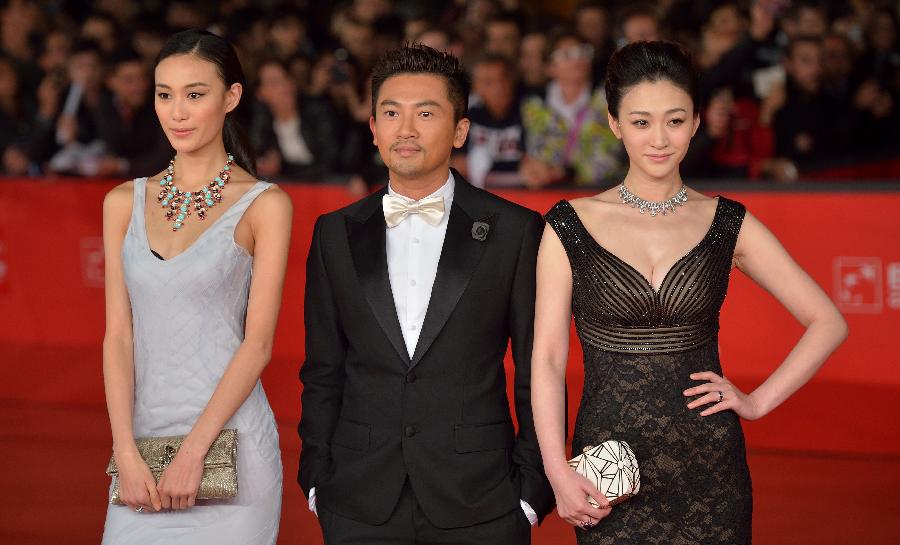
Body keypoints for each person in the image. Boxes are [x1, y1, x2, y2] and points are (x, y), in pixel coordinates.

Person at [531, 41, 847, 544]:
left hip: (711, 470)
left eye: (675, 121)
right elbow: (547, 357)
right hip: (611, 471)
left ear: (696, 121)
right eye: (640, 122)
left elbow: (828, 321)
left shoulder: (726, 222)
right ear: (614, 123)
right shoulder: (570, 225)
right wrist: (555, 470)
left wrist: (758, 402)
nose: (659, 139)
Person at [299, 43, 553, 545]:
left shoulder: (515, 230)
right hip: (356, 499)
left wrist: (529, 493)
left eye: (426, 113)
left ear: (461, 129)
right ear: (373, 128)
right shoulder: (334, 233)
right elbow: (322, 368)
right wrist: (316, 479)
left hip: (483, 500)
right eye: (391, 113)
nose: (406, 129)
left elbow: (536, 367)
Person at [100, 29, 291, 544]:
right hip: (140, 453)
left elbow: (259, 344)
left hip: (234, 454)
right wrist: (124, 451)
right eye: (165, 95)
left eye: (195, 94)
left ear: (231, 97)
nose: (177, 112)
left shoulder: (265, 205)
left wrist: (193, 452)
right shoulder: (122, 202)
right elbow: (118, 336)